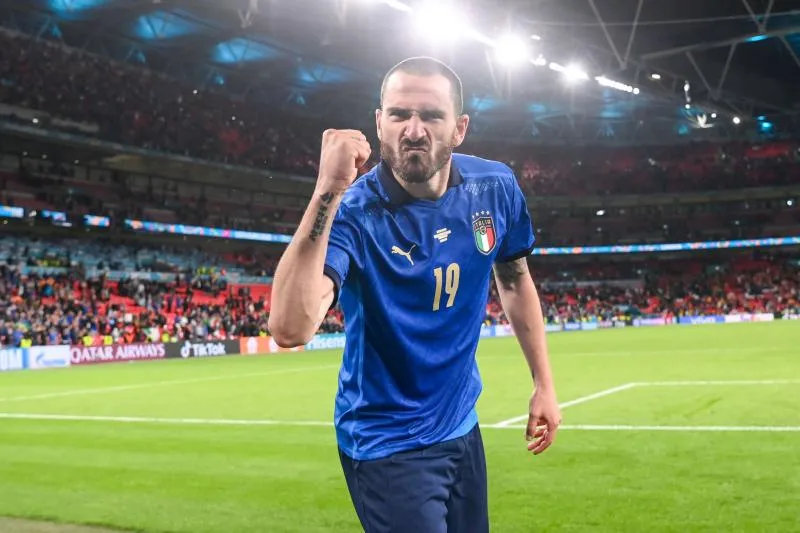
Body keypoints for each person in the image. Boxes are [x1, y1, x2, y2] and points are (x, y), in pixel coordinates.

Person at [269, 56, 561, 533]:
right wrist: (327, 190)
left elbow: (514, 278)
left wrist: (544, 385)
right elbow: (289, 327)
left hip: (462, 426)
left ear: (460, 128)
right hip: (387, 443)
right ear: (379, 122)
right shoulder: (353, 213)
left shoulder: (495, 188)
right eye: (400, 114)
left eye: (431, 115)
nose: (414, 129)